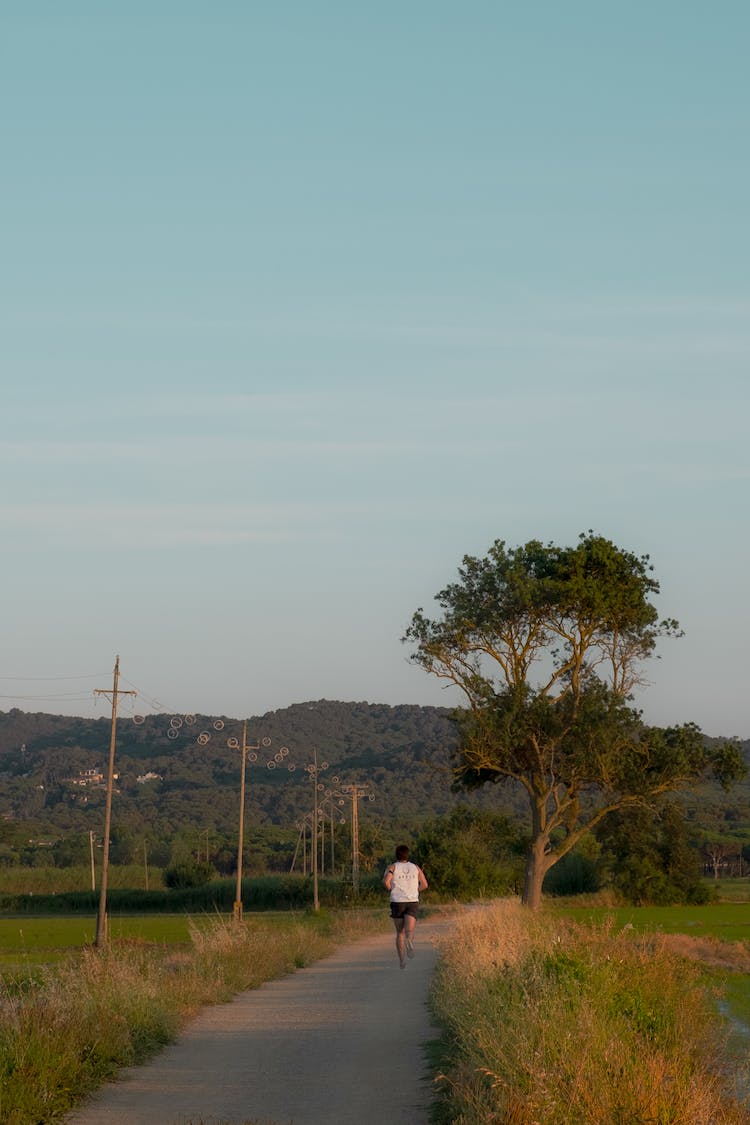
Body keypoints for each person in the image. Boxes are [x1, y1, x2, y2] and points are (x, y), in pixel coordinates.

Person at [383, 845, 428, 969]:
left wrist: (391, 890)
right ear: (407, 855)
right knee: (409, 931)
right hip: (412, 901)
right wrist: (415, 890)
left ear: (396, 854)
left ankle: (402, 960)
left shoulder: (393, 867)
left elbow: (386, 882)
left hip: (397, 902)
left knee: (399, 932)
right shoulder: (415, 867)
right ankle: (410, 940)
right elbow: (425, 884)